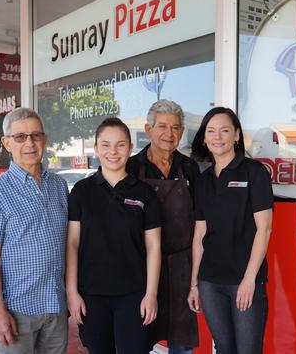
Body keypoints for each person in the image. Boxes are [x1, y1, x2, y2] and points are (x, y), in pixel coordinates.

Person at [0, 107, 69, 353]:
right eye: (20, 137)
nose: (29, 143)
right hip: (17, 311)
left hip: (55, 306)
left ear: (44, 140)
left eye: (36, 135)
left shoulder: (58, 186)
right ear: (7, 143)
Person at [66, 117, 162, 354]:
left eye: (120, 145)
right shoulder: (82, 191)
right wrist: (72, 293)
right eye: (105, 145)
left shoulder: (144, 193)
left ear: (130, 148)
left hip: (134, 295)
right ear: (96, 148)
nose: (113, 151)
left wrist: (151, 294)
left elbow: (154, 247)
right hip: (92, 295)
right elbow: (72, 244)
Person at [187, 107, 274, 354]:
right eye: (211, 131)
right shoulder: (203, 181)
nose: (217, 136)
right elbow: (200, 235)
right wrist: (194, 284)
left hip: (244, 280)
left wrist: (249, 280)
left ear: (236, 135)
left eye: (225, 130)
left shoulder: (253, 172)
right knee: (224, 348)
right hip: (210, 282)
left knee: (248, 350)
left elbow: (264, 229)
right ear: (204, 138)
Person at [126, 100, 200, 354]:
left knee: (182, 341)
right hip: (141, 266)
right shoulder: (131, 168)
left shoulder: (189, 168)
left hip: (182, 264)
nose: (169, 134)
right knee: (139, 335)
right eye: (162, 126)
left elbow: (200, 220)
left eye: (176, 128)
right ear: (148, 129)